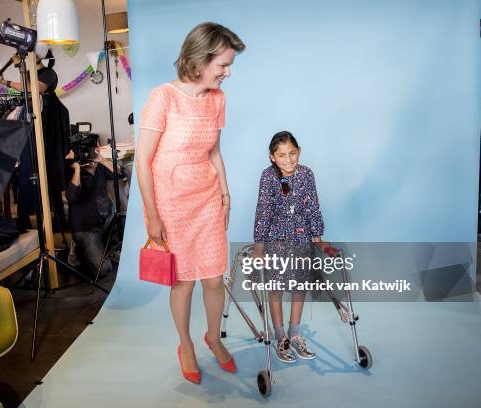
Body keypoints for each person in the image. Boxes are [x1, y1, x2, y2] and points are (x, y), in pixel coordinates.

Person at [136, 22, 245, 385]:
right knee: (182, 282)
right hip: (172, 201)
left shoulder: (217, 99)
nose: (228, 73)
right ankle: (185, 345)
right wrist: (151, 214)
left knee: (214, 279)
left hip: (207, 196)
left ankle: (212, 338)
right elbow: (143, 160)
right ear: (200, 60)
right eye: (223, 65)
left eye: (229, 66)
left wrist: (226, 195)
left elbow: (214, 151)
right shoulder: (162, 97)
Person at [252, 131, 325, 362]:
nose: (288, 159)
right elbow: (264, 211)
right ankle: (280, 335)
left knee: (299, 285)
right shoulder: (268, 176)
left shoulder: (306, 174)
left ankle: (294, 333)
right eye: (282, 155)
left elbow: (313, 205)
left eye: (292, 153)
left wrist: (318, 235)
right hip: (276, 239)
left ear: (299, 151)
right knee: (276, 287)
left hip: (302, 238)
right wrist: (259, 245)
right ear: (272, 157)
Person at [0, 45, 70, 233]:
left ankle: (57, 220)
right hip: (31, 128)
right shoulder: (28, 74)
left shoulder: (48, 74)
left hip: (47, 130)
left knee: (49, 173)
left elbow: (33, 89)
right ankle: (25, 217)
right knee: (27, 173)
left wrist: (7, 82)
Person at [65, 146, 126, 279]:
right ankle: (79, 252)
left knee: (124, 218)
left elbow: (121, 174)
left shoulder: (100, 168)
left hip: (104, 221)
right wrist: (76, 169)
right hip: (86, 229)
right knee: (105, 269)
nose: (90, 157)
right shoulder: (74, 171)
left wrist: (102, 160)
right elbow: (72, 197)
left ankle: (107, 249)